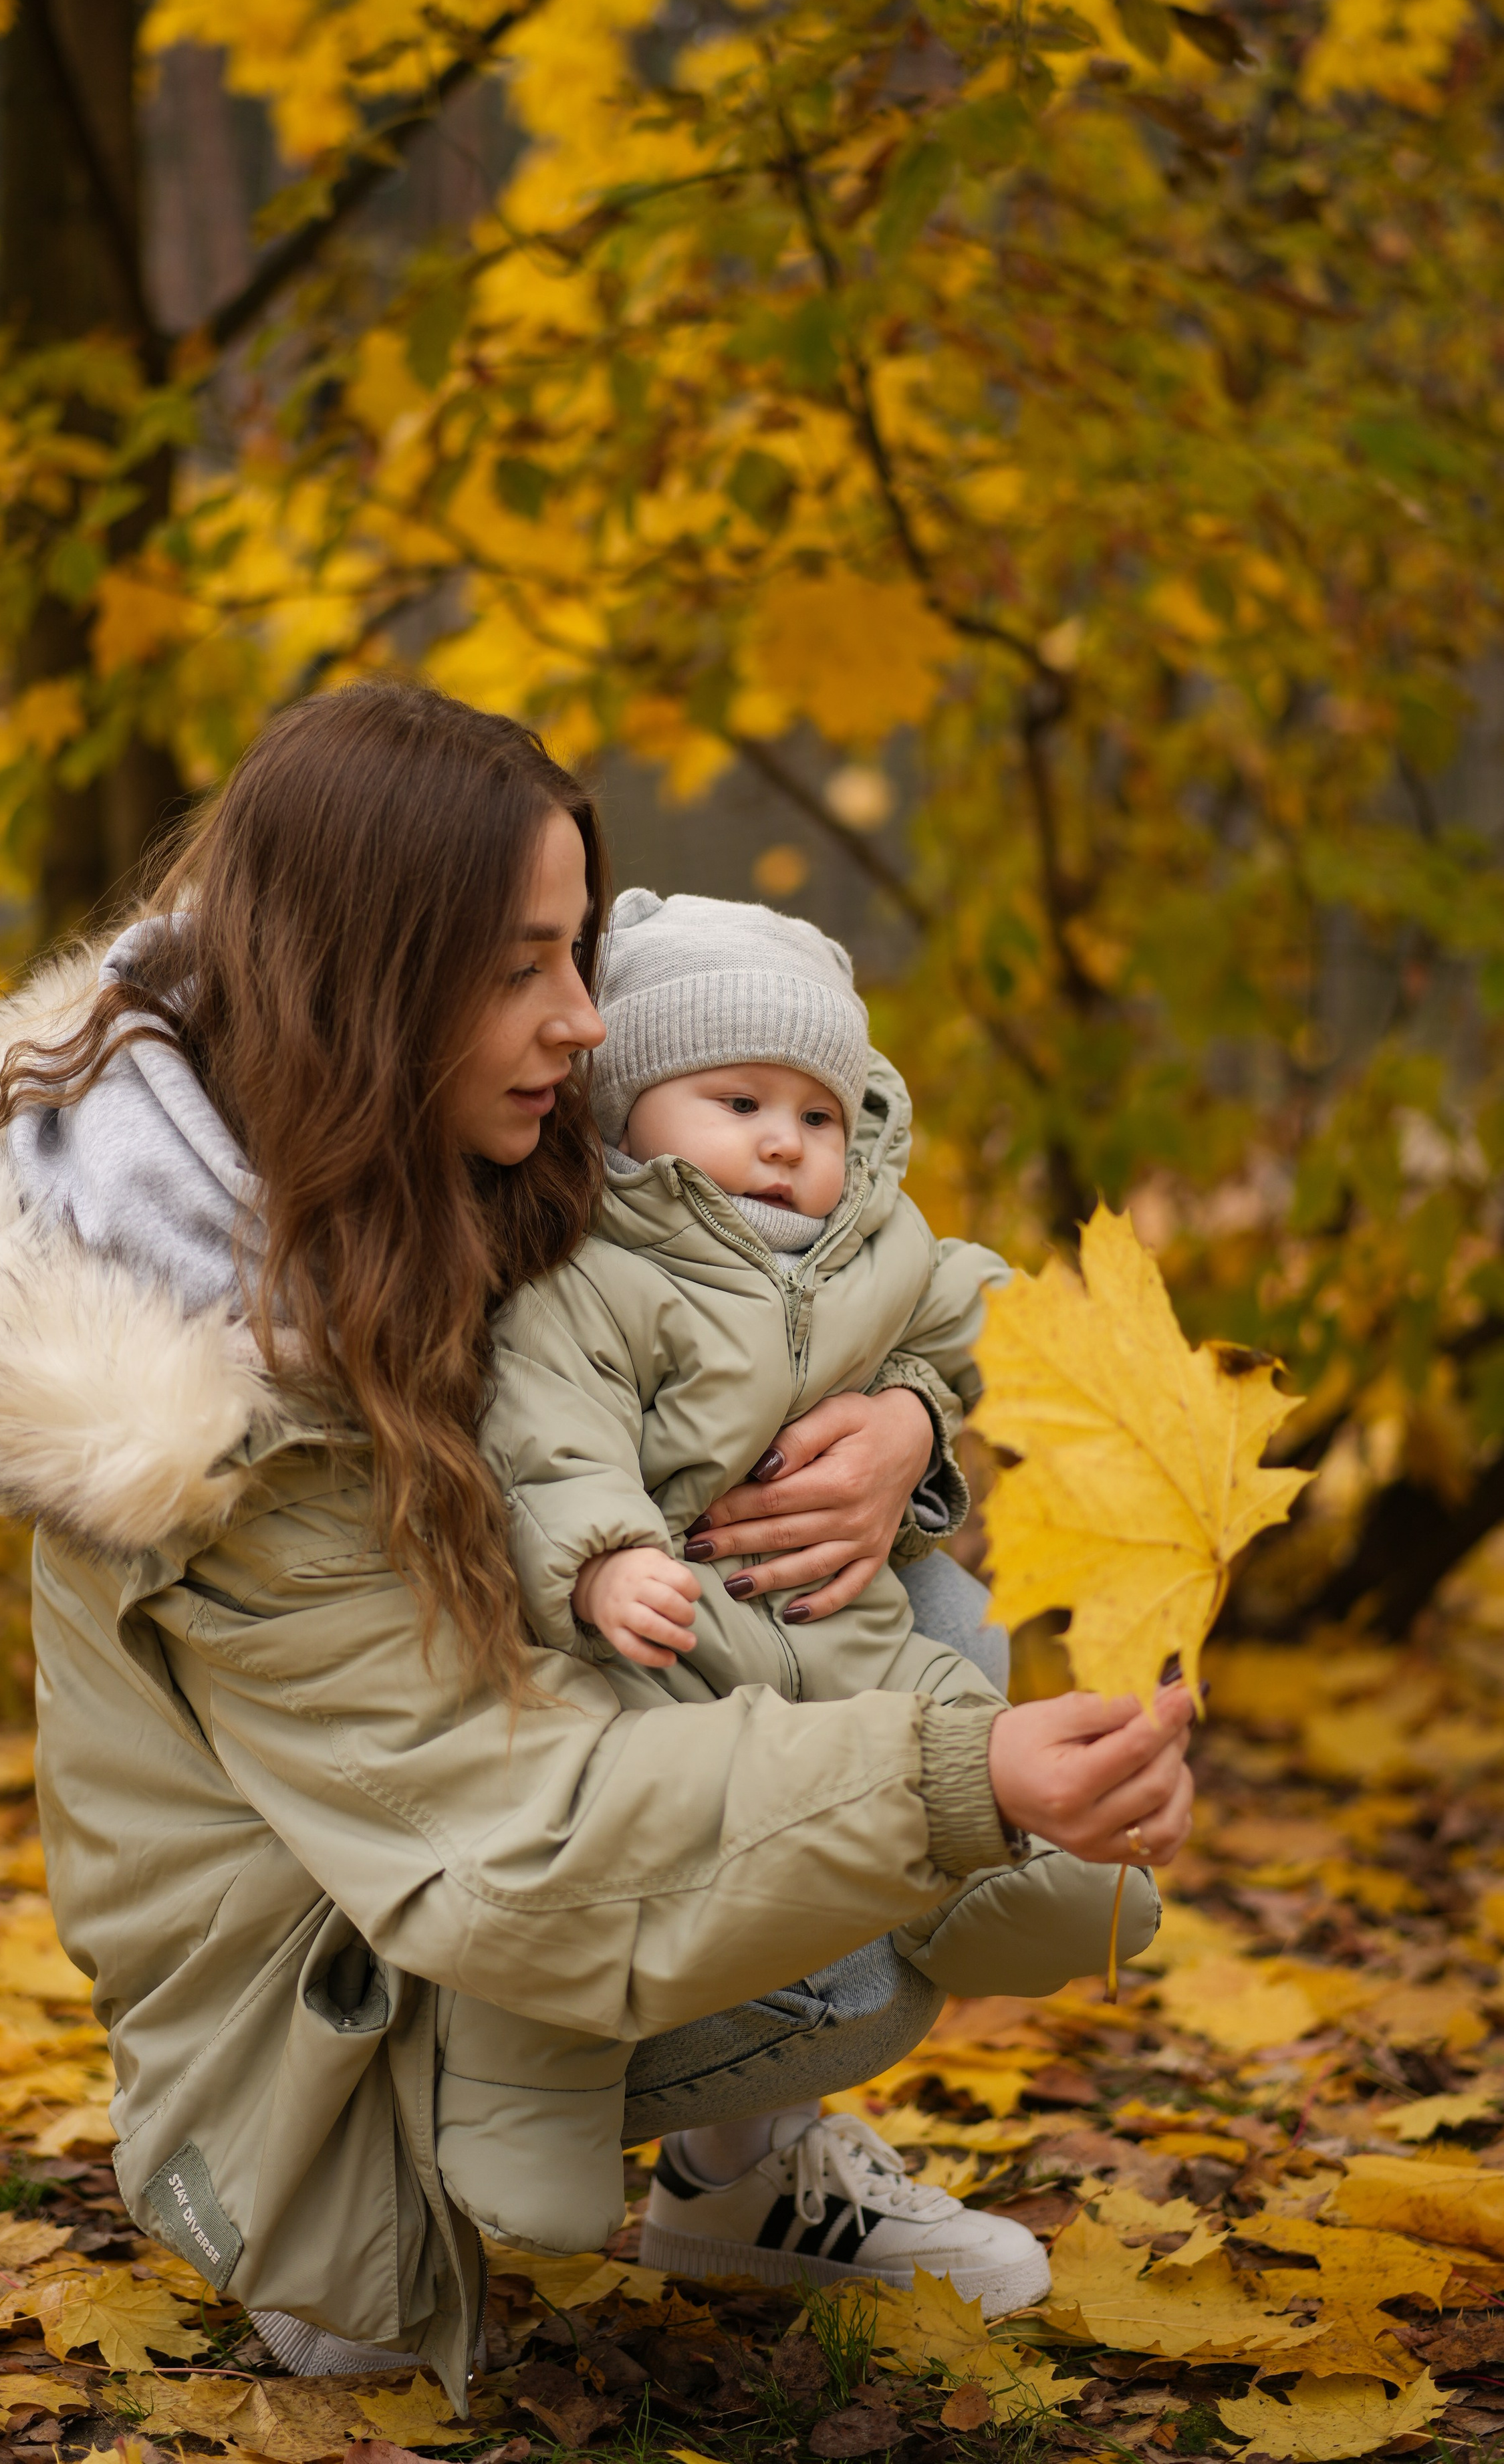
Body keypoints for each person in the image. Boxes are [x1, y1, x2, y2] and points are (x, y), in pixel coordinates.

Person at [0, 680, 1195, 2405]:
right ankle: (352, 2203)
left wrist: (903, 1435)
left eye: (579, 954)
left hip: (489, 1846)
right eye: (522, 969)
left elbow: (782, 1303)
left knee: (871, 1606)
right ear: (373, 983)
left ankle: (742, 2184)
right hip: (332, 2011)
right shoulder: (206, 1402)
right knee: (873, 1878)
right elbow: (515, 1841)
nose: (586, 1021)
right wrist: (970, 1777)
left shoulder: (446, 1153)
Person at [438, 888, 1161, 2282]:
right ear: (624, 1107)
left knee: (947, 1659)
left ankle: (983, 1871)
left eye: (817, 1116)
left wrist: (916, 1416)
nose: (781, 1140)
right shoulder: (592, 1270)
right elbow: (548, 1431)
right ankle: (523, 2093)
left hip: (836, 1631)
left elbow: (998, 1318)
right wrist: (603, 1560)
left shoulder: (875, 1255)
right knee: (602, 1844)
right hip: (665, 1641)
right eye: (735, 1099)